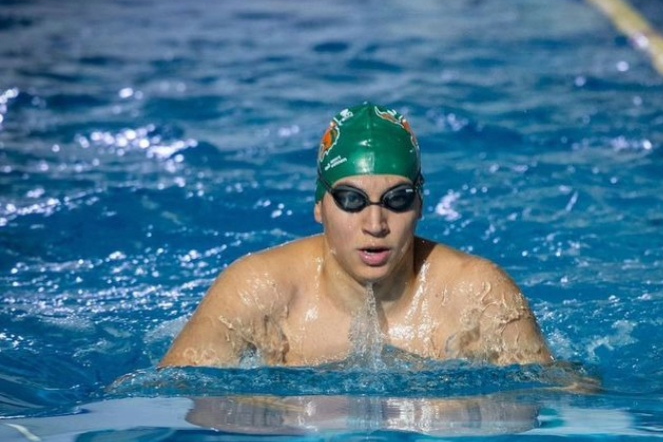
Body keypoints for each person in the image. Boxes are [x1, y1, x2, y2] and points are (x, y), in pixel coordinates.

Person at [159, 103, 554, 368]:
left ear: (419, 205)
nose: (375, 224)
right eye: (352, 200)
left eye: (397, 199)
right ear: (320, 206)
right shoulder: (258, 290)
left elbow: (553, 403)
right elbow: (176, 399)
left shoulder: (479, 295)